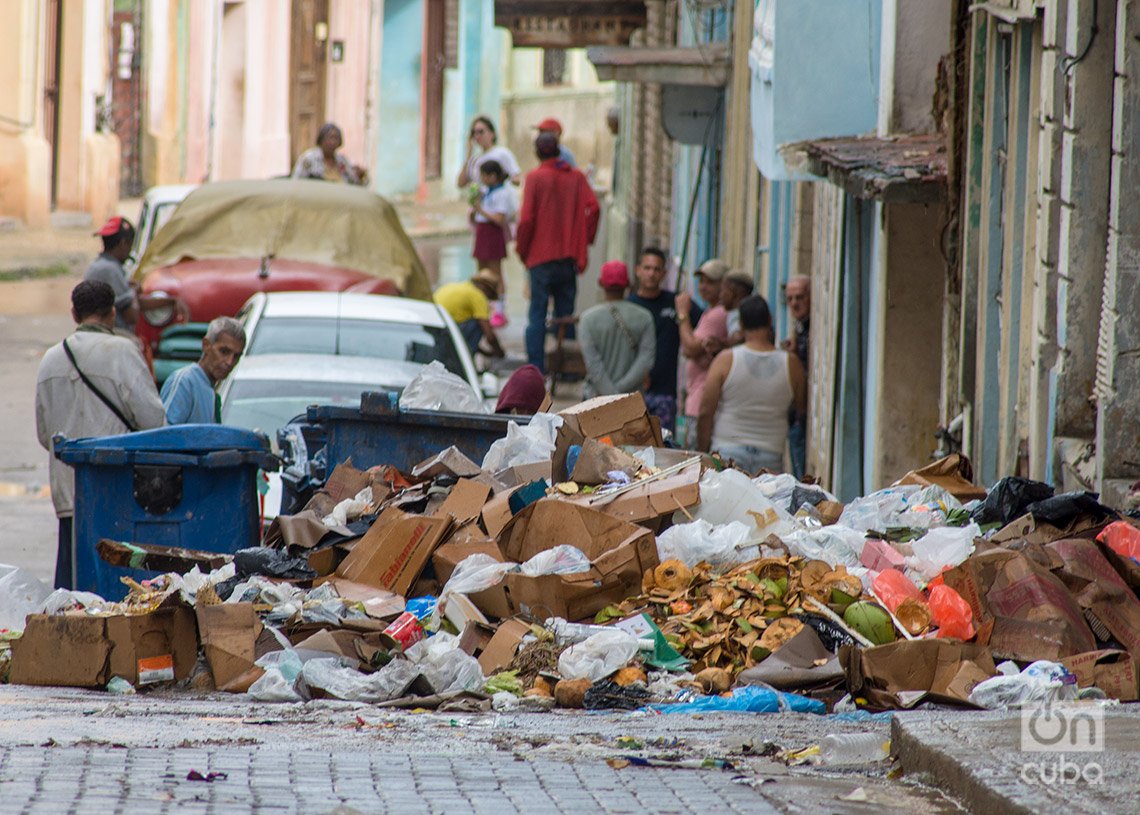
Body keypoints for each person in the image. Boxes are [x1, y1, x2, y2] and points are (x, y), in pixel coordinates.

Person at [35, 281, 166, 588]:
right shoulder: (122, 352)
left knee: (71, 590)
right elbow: (154, 421)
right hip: (117, 492)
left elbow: (44, 435)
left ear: (73, 314)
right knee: (116, 587)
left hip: (69, 493)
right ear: (111, 314)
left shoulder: (51, 359)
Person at [515, 133, 600, 372]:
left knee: (537, 316)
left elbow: (526, 220)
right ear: (558, 151)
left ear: (537, 153)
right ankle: (567, 370)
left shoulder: (534, 178)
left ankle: (536, 369)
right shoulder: (576, 177)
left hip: (540, 259)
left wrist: (522, 250)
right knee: (565, 315)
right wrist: (585, 240)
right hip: (567, 258)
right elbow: (594, 208)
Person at [698, 295, 807, 475]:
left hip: (727, 450)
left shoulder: (725, 360)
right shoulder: (791, 364)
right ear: (769, 320)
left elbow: (705, 412)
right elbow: (801, 408)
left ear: (740, 324)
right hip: (771, 452)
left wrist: (702, 451)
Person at [627, 247, 700, 436]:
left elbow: (705, 326)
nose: (651, 273)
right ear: (638, 270)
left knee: (664, 447)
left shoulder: (675, 303)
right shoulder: (629, 306)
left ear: (664, 273)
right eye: (647, 268)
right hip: (632, 392)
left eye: (656, 269)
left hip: (665, 394)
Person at [578, 261, 656, 398]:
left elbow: (593, 364)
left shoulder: (587, 319)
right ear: (628, 284)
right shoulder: (645, 317)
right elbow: (646, 359)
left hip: (595, 400)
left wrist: (610, 393)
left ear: (600, 283)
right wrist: (620, 391)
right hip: (631, 400)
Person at [676, 258, 730, 447]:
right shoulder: (711, 311)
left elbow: (691, 348)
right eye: (702, 281)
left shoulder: (717, 315)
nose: (704, 286)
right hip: (696, 399)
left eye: (711, 282)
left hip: (701, 403)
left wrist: (682, 315)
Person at [160, 317, 246, 424]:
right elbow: (165, 434)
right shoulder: (185, 382)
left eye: (236, 356)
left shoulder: (211, 392)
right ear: (206, 345)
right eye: (224, 351)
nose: (229, 362)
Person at [469, 159, 518, 325]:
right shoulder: (485, 192)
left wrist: (480, 209)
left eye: (484, 175)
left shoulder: (502, 193)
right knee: (482, 271)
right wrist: (474, 208)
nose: (482, 178)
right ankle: (484, 306)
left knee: (495, 272)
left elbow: (499, 218)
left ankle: (500, 309)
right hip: (482, 231)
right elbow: (477, 217)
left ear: (493, 176)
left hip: (493, 232)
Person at [433, 269, 505, 360]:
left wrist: (484, 352)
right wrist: (499, 352)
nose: (487, 299)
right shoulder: (478, 296)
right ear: (486, 289)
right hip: (446, 332)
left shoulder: (456, 286)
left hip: (435, 329)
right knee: (479, 324)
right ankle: (465, 359)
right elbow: (489, 335)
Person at [84, 216, 139, 332]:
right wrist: (134, 291)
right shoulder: (110, 269)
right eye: (130, 245)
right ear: (124, 243)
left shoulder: (97, 265)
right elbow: (132, 316)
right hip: (112, 335)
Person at [781, 275, 811, 478]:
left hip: (804, 415)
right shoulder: (799, 327)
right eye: (790, 298)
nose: (794, 303)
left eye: (799, 297)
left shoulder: (811, 327)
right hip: (795, 415)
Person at [292, 123, 368, 185]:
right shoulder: (309, 159)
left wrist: (360, 176)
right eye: (330, 138)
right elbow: (297, 181)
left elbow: (353, 183)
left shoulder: (342, 162)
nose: (333, 142)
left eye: (336, 138)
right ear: (321, 139)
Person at [457, 116, 520, 189]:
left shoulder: (502, 153)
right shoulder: (474, 159)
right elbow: (460, 183)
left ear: (492, 133)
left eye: (481, 132)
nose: (477, 136)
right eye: (474, 133)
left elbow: (517, 179)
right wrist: (468, 154)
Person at [721, 268, 756, 345]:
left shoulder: (745, 314)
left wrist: (722, 344)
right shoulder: (732, 313)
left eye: (723, 290)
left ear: (735, 292)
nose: (720, 295)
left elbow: (739, 338)